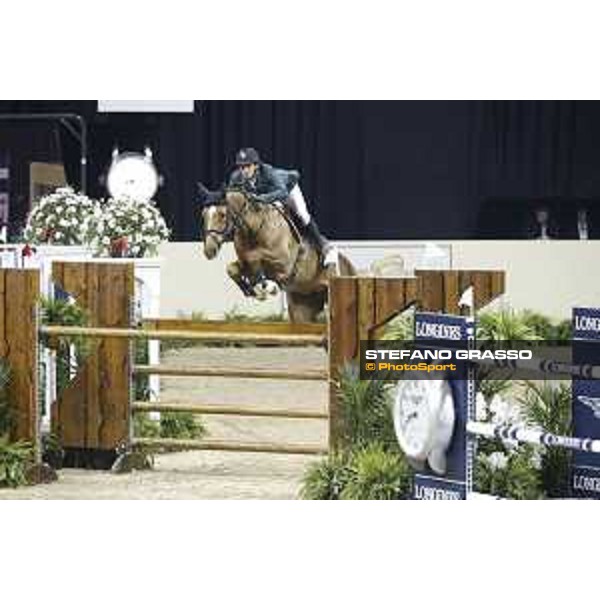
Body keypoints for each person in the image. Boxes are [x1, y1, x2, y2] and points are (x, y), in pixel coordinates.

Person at [225, 148, 336, 266]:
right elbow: (230, 196)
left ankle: (324, 246)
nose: (244, 170)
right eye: (241, 167)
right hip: (268, 196)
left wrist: (262, 198)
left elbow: (282, 192)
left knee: (302, 214)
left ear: (256, 165)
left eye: (247, 166)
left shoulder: (268, 172)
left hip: (288, 189)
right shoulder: (236, 178)